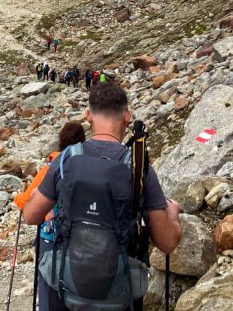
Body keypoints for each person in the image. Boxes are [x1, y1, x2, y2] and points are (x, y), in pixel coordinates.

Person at [22, 82, 182, 311]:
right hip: (118, 290)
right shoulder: (138, 167)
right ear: (127, 116)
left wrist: (36, 196)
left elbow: (30, 217)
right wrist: (173, 217)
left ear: (88, 116)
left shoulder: (66, 159)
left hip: (66, 286)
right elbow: (166, 243)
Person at [13, 122, 87, 311]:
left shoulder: (53, 165)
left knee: (48, 284)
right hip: (81, 239)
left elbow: (26, 203)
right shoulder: (87, 165)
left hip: (50, 237)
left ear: (60, 140)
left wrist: (19, 197)